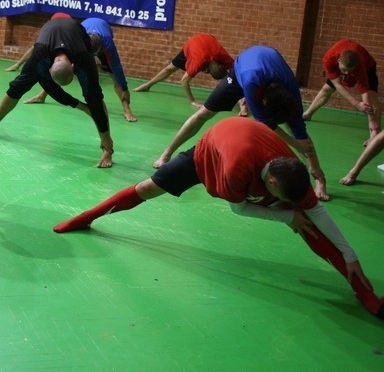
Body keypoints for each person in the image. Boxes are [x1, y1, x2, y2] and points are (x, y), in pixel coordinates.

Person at [53, 117, 384, 320]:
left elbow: (316, 210)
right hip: (207, 154)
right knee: (147, 188)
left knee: (306, 219)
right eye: (280, 197)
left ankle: (363, 290)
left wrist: (350, 253)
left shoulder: (289, 169)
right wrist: (286, 218)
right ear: (271, 184)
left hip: (244, 144)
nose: (288, 204)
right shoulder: (235, 171)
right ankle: (87, 217)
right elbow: (238, 208)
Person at [152, 45, 330, 201]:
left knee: (298, 131)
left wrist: (308, 156)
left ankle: (320, 179)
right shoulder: (252, 85)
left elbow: (301, 135)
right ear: (264, 102)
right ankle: (167, 153)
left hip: (268, 73)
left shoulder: (291, 92)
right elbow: (266, 126)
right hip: (240, 72)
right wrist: (293, 143)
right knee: (203, 113)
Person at [0, 13, 114, 168]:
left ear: (74, 67)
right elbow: (52, 90)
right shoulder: (39, 56)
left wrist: (90, 109)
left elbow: (95, 100)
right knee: (16, 88)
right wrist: (81, 106)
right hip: (47, 39)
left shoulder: (84, 57)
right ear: (49, 67)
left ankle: (107, 146)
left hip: (76, 36)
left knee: (94, 96)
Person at [16, 15, 137, 122]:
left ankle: (127, 109)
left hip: (102, 36)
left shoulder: (108, 46)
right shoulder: (78, 41)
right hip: (84, 38)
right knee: (61, 68)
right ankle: (41, 96)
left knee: (115, 77)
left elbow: (118, 69)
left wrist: (124, 86)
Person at [303, 39, 380, 146]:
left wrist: (371, 120)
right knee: (327, 88)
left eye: (350, 71)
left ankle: (374, 133)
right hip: (341, 63)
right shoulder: (328, 59)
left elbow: (365, 92)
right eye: (345, 70)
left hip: (368, 66)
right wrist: (356, 104)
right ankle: (308, 114)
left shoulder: (359, 66)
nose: (347, 73)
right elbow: (338, 85)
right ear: (338, 61)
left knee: (372, 99)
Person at [133, 33, 234, 107]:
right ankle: (147, 85)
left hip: (206, 40)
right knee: (170, 68)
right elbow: (184, 81)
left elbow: (236, 73)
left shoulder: (224, 57)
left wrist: (241, 101)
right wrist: (192, 101)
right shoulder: (197, 63)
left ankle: (147, 85)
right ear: (207, 70)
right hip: (193, 44)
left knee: (171, 68)